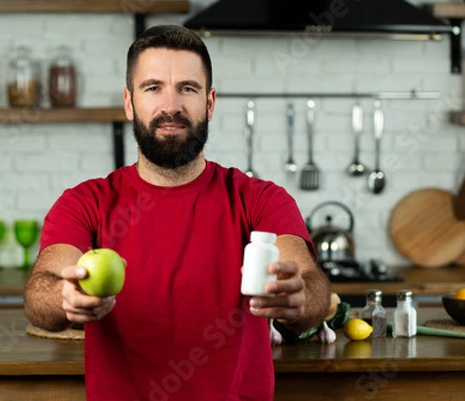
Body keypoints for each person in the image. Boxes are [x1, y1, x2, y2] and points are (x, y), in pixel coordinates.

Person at [24, 25, 330, 401]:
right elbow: (41, 294)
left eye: (188, 88)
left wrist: (299, 299)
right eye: (153, 88)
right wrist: (64, 296)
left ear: (210, 103)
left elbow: (312, 287)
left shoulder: (260, 200)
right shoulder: (86, 203)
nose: (171, 106)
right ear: (129, 102)